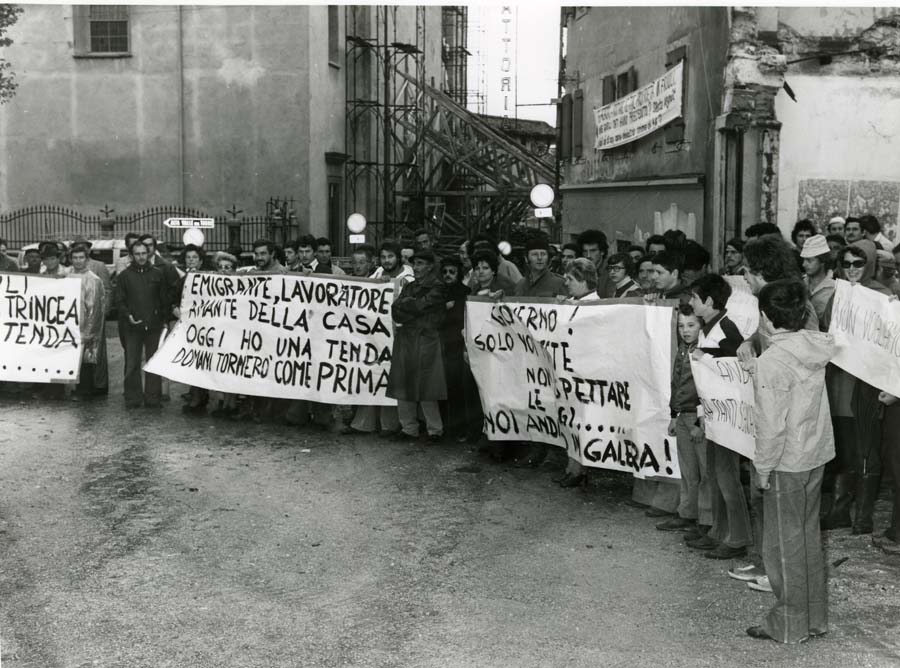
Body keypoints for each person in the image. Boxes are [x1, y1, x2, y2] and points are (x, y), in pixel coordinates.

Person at [746, 278, 834, 644]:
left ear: (765, 317)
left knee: (783, 546)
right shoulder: (813, 346)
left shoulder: (773, 362)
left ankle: (788, 623)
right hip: (816, 454)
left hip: (786, 461)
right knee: (808, 539)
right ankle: (814, 618)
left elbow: (771, 425)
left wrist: (762, 469)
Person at [820, 241, 890, 535]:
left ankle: (863, 515)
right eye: (846, 264)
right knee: (843, 448)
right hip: (840, 381)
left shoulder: (884, 295)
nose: (851, 270)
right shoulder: (839, 294)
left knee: (867, 449)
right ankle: (839, 510)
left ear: (870, 264)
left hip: (869, 383)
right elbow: (827, 329)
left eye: (857, 264)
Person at [687, 274, 751, 560]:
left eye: (695, 298)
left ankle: (737, 537)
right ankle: (718, 529)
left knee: (727, 477)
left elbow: (741, 373)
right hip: (713, 413)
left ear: (709, 301)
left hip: (730, 416)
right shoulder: (707, 330)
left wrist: (706, 359)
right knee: (715, 473)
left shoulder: (727, 329)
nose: (691, 302)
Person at [657, 305, 711, 534]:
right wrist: (673, 415)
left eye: (691, 325)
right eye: (681, 326)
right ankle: (687, 513)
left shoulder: (705, 350)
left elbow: (707, 388)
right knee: (688, 470)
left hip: (698, 417)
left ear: (701, 326)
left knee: (705, 471)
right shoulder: (682, 348)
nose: (685, 330)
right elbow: (676, 382)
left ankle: (707, 520)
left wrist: (701, 422)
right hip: (683, 415)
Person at [386, 249, 447, 441]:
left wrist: (408, 304)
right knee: (404, 383)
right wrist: (414, 305)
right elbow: (395, 310)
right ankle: (408, 428)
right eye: (415, 264)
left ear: (430, 266)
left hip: (426, 338)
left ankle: (434, 430)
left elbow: (418, 306)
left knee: (428, 386)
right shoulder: (411, 286)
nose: (417, 268)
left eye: (420, 264)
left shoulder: (438, 287)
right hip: (409, 338)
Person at [555, 258, 601, 487]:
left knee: (582, 422)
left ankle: (580, 469)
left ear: (583, 281)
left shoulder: (598, 306)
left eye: (570, 279)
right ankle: (571, 466)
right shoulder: (570, 302)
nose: (566, 282)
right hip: (567, 372)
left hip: (585, 374)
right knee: (570, 421)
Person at [115, 240, 168, 409]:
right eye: (137, 254)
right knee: (132, 364)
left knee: (154, 363)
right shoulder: (124, 276)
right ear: (131, 256)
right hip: (132, 327)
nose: (141, 257)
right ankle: (133, 398)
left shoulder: (158, 274)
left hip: (153, 326)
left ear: (149, 254)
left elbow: (164, 299)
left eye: (143, 253)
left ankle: (153, 398)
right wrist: (128, 316)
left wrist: (164, 320)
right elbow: (120, 301)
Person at [438, 256, 475, 442]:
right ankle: (444, 427)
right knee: (441, 387)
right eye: (445, 272)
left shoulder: (465, 292)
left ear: (458, 273)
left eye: (452, 272)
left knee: (456, 387)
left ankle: (458, 429)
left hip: (457, 344)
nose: (448, 275)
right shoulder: (438, 291)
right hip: (440, 343)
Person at [67, 245, 106, 400]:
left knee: (86, 360)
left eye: (81, 257)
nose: (78, 261)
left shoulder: (93, 280)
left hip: (85, 326)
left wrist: (89, 332)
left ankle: (85, 391)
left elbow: (95, 309)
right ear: (71, 259)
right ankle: (76, 388)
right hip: (71, 325)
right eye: (75, 258)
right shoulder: (67, 276)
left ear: (87, 259)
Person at [799, 234, 835, 326]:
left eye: (809, 261)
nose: (804, 264)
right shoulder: (800, 285)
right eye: (803, 260)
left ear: (822, 261)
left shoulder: (834, 289)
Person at [577, 229, 611, 297]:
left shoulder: (611, 272)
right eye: (585, 251)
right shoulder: (579, 271)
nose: (588, 255)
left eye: (593, 251)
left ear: (602, 251)